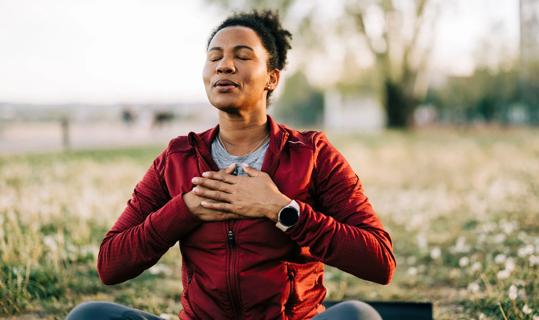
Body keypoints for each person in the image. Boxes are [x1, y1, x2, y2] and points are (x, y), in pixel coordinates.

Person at [66, 10, 396, 320]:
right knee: (89, 316)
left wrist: (282, 209)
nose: (224, 65)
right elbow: (110, 265)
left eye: (242, 56)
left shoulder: (312, 154)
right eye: (215, 57)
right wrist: (184, 210)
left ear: (272, 78)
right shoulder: (178, 158)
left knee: (358, 315)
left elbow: (380, 262)